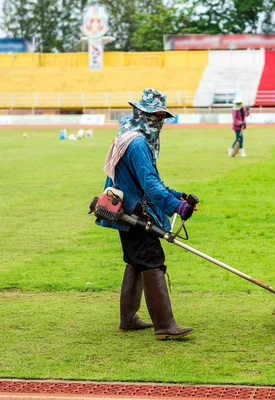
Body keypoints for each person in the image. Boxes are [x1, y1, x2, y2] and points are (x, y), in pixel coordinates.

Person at [102, 88, 197, 340]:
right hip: (135, 213)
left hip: (125, 210)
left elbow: (152, 182)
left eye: (161, 117)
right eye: (155, 116)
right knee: (152, 260)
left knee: (136, 261)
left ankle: (128, 319)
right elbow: (151, 186)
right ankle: (165, 325)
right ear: (141, 114)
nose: (159, 122)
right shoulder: (138, 143)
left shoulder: (128, 136)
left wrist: (178, 195)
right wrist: (176, 207)